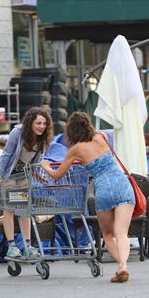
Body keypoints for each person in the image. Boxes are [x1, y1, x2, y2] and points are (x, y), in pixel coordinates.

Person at [40, 112, 135, 283]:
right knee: (122, 233)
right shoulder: (100, 137)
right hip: (123, 185)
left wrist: (46, 166)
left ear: (71, 131)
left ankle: (121, 266)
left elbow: (57, 175)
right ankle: (123, 266)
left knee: (107, 234)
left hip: (104, 189)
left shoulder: (75, 150)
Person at [0, 107, 54, 258]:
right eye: (38, 123)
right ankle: (12, 246)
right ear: (30, 122)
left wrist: (39, 175)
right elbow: (7, 154)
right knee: (10, 209)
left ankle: (27, 245)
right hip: (10, 174)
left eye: (44, 124)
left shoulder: (42, 138)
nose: (42, 126)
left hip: (25, 176)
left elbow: (37, 160)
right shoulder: (17, 133)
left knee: (24, 210)